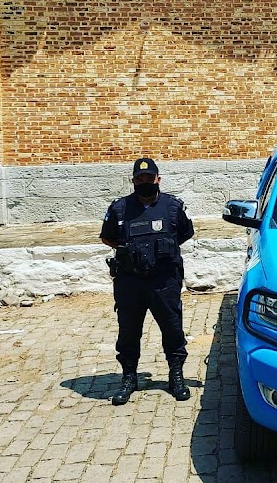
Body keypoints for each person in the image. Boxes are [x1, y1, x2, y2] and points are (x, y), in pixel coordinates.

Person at [100, 157, 195, 405]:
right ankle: (129, 378)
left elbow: (184, 233)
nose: (144, 182)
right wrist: (133, 253)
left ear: (158, 179)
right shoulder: (120, 209)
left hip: (164, 281)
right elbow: (107, 237)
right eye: (139, 179)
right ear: (133, 181)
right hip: (130, 282)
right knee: (129, 331)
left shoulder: (173, 207)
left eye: (149, 178)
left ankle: (176, 376)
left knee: (172, 328)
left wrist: (157, 252)